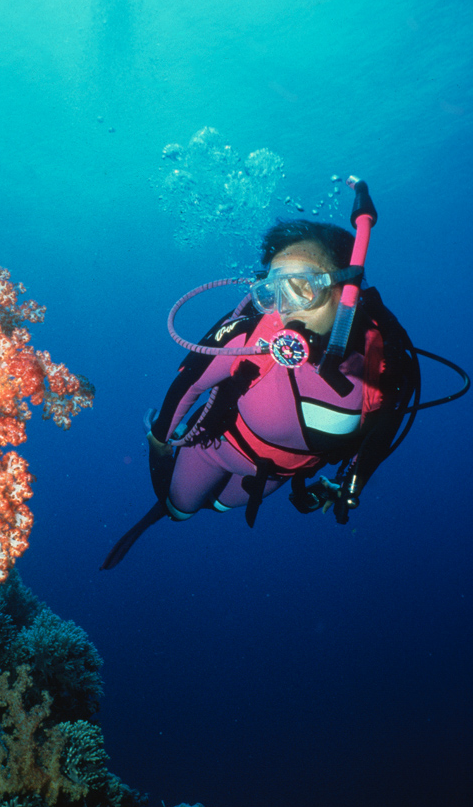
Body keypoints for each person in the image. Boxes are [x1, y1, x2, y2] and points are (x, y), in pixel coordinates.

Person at [102, 216, 417, 570]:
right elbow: (189, 382)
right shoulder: (253, 333)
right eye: (272, 292)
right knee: (181, 509)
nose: (284, 310)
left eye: (301, 288)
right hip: (216, 447)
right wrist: (159, 440)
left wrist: (348, 486)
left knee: (220, 506)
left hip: (276, 475)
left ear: (347, 291)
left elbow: (379, 436)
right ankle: (169, 501)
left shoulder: (383, 366)